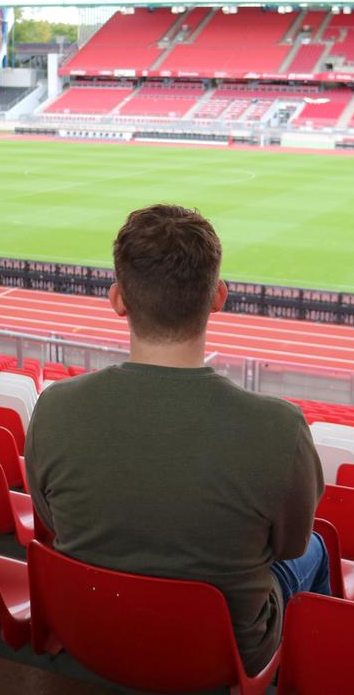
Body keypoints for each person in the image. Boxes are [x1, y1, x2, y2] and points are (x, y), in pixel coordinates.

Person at [25, 203, 329, 676]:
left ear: (118, 299)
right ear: (218, 297)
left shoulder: (54, 406)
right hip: (223, 655)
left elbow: (51, 519)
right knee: (318, 548)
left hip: (88, 629)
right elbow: (290, 545)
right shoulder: (280, 427)